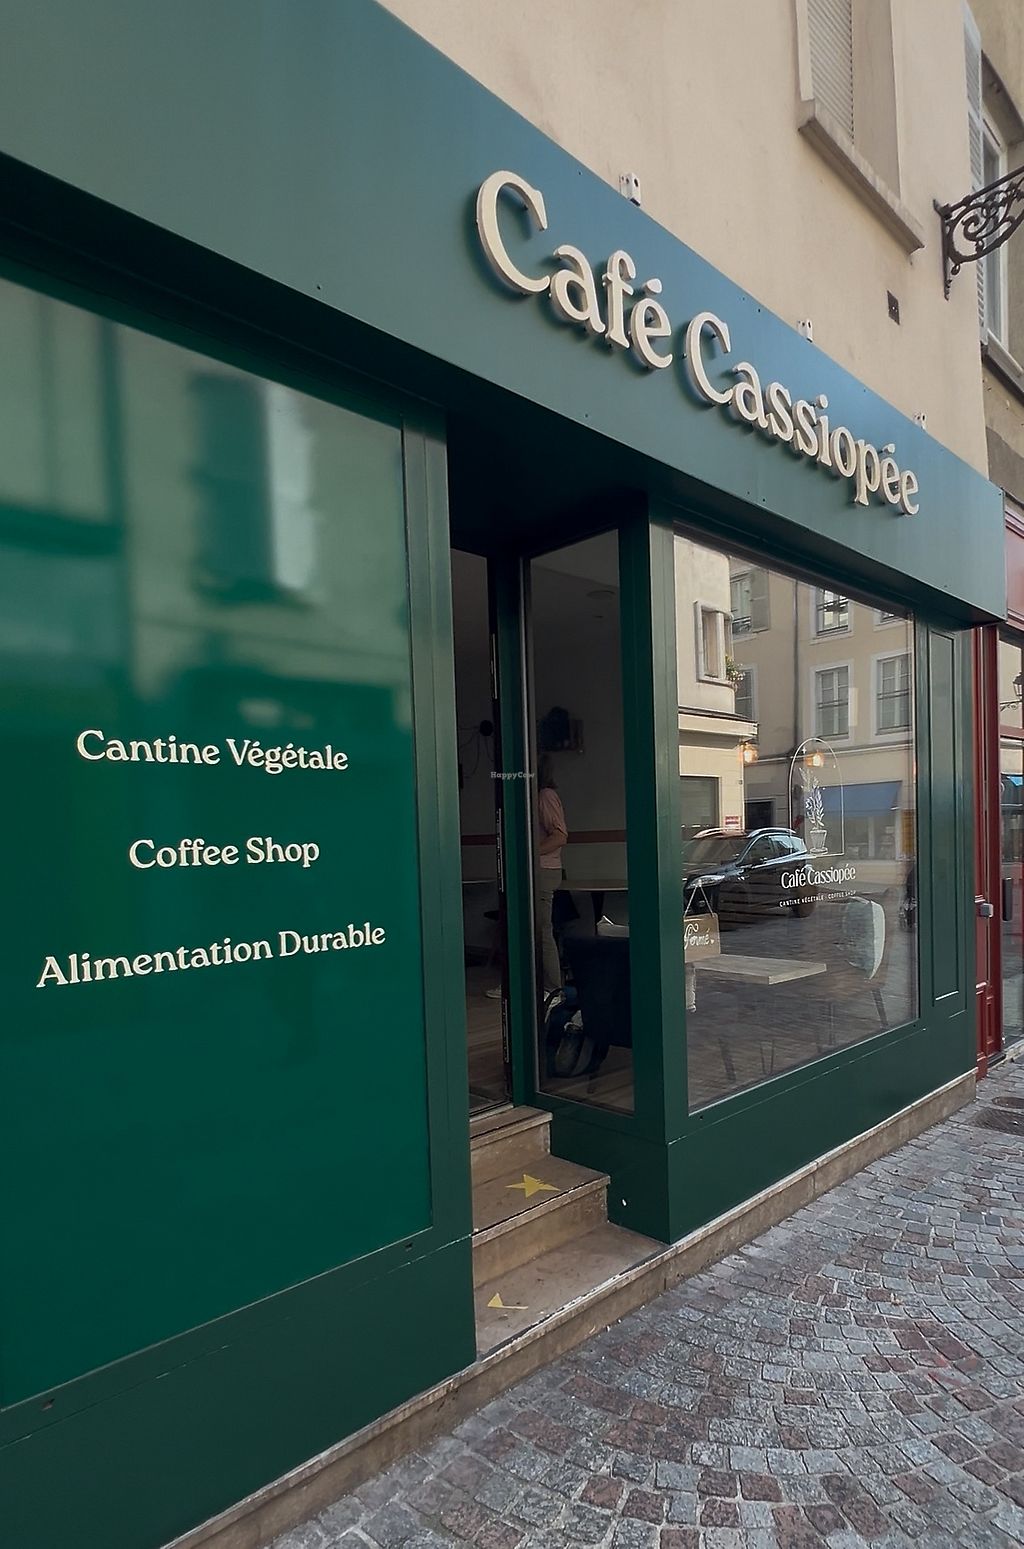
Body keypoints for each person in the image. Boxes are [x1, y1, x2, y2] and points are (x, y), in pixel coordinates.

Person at [536, 755, 569, 995]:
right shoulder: (538, 796)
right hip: (541, 869)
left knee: (541, 930)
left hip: (542, 870)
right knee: (530, 929)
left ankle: (553, 988)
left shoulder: (545, 795)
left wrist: (529, 855)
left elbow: (559, 835)